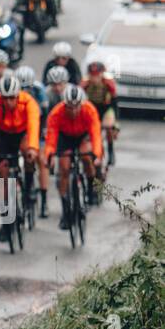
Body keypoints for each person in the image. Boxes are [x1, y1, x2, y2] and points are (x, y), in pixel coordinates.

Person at [0, 71, 40, 244]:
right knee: (2, 175)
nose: (9, 102)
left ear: (18, 95)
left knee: (29, 155)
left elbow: (34, 126)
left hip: (23, 134)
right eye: (5, 98)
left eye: (12, 98)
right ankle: (5, 219)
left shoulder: (28, 102)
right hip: (5, 136)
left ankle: (28, 189)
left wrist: (33, 148)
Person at [43, 85, 102, 230]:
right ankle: (66, 211)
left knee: (87, 158)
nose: (74, 110)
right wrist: (49, 154)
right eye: (70, 107)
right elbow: (51, 138)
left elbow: (95, 134)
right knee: (64, 168)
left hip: (83, 136)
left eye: (77, 107)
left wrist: (97, 155)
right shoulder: (56, 113)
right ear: (65, 105)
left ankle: (90, 189)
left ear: (82, 104)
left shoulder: (89, 110)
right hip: (65, 138)